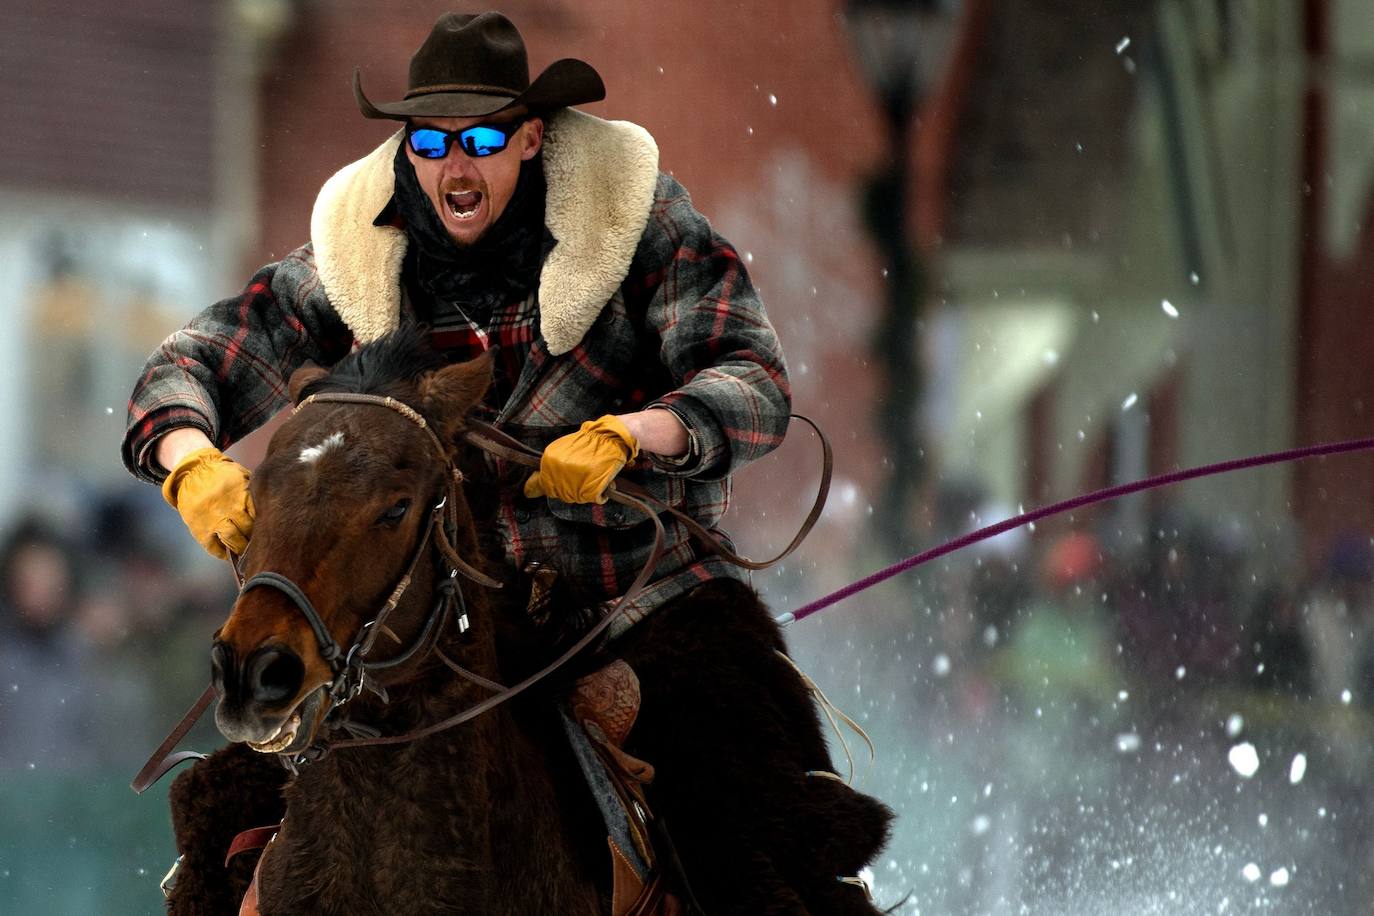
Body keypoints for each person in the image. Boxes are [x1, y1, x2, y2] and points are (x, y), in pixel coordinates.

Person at [123, 11, 889, 913]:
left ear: (531, 137)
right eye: (431, 140)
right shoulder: (356, 258)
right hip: (428, 613)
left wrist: (636, 434)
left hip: (633, 597)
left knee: (750, 822)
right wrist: (188, 459)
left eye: (481, 138)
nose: (455, 166)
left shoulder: (638, 225)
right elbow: (189, 365)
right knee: (223, 837)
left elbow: (751, 380)